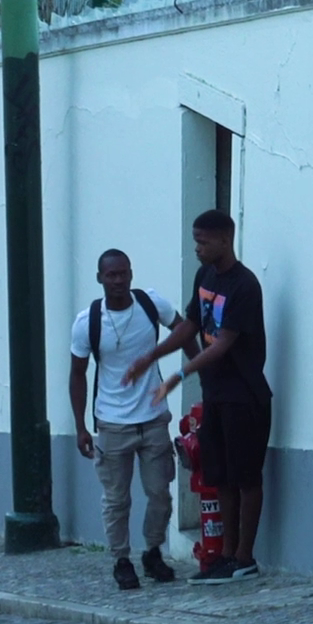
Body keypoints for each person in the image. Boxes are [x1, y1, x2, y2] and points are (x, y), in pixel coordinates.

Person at [125, 210, 271, 580]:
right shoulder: (205, 277)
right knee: (220, 476)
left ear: (225, 239)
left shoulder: (245, 286)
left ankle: (245, 558)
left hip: (244, 395)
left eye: (203, 242)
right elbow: (190, 325)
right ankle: (225, 555)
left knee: (246, 477)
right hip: (216, 394)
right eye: (195, 241)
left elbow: (222, 344)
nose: (197, 248)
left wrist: (180, 374)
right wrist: (152, 356)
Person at [70, 249, 198, 591]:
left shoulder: (150, 304)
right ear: (100, 278)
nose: (118, 280)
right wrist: (81, 426)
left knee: (160, 494)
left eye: (123, 273)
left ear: (131, 273)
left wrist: (199, 368)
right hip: (111, 423)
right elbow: (77, 374)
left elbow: (184, 332)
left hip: (153, 417)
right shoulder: (88, 322)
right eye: (111, 275)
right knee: (116, 499)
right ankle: (121, 560)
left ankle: (153, 552)